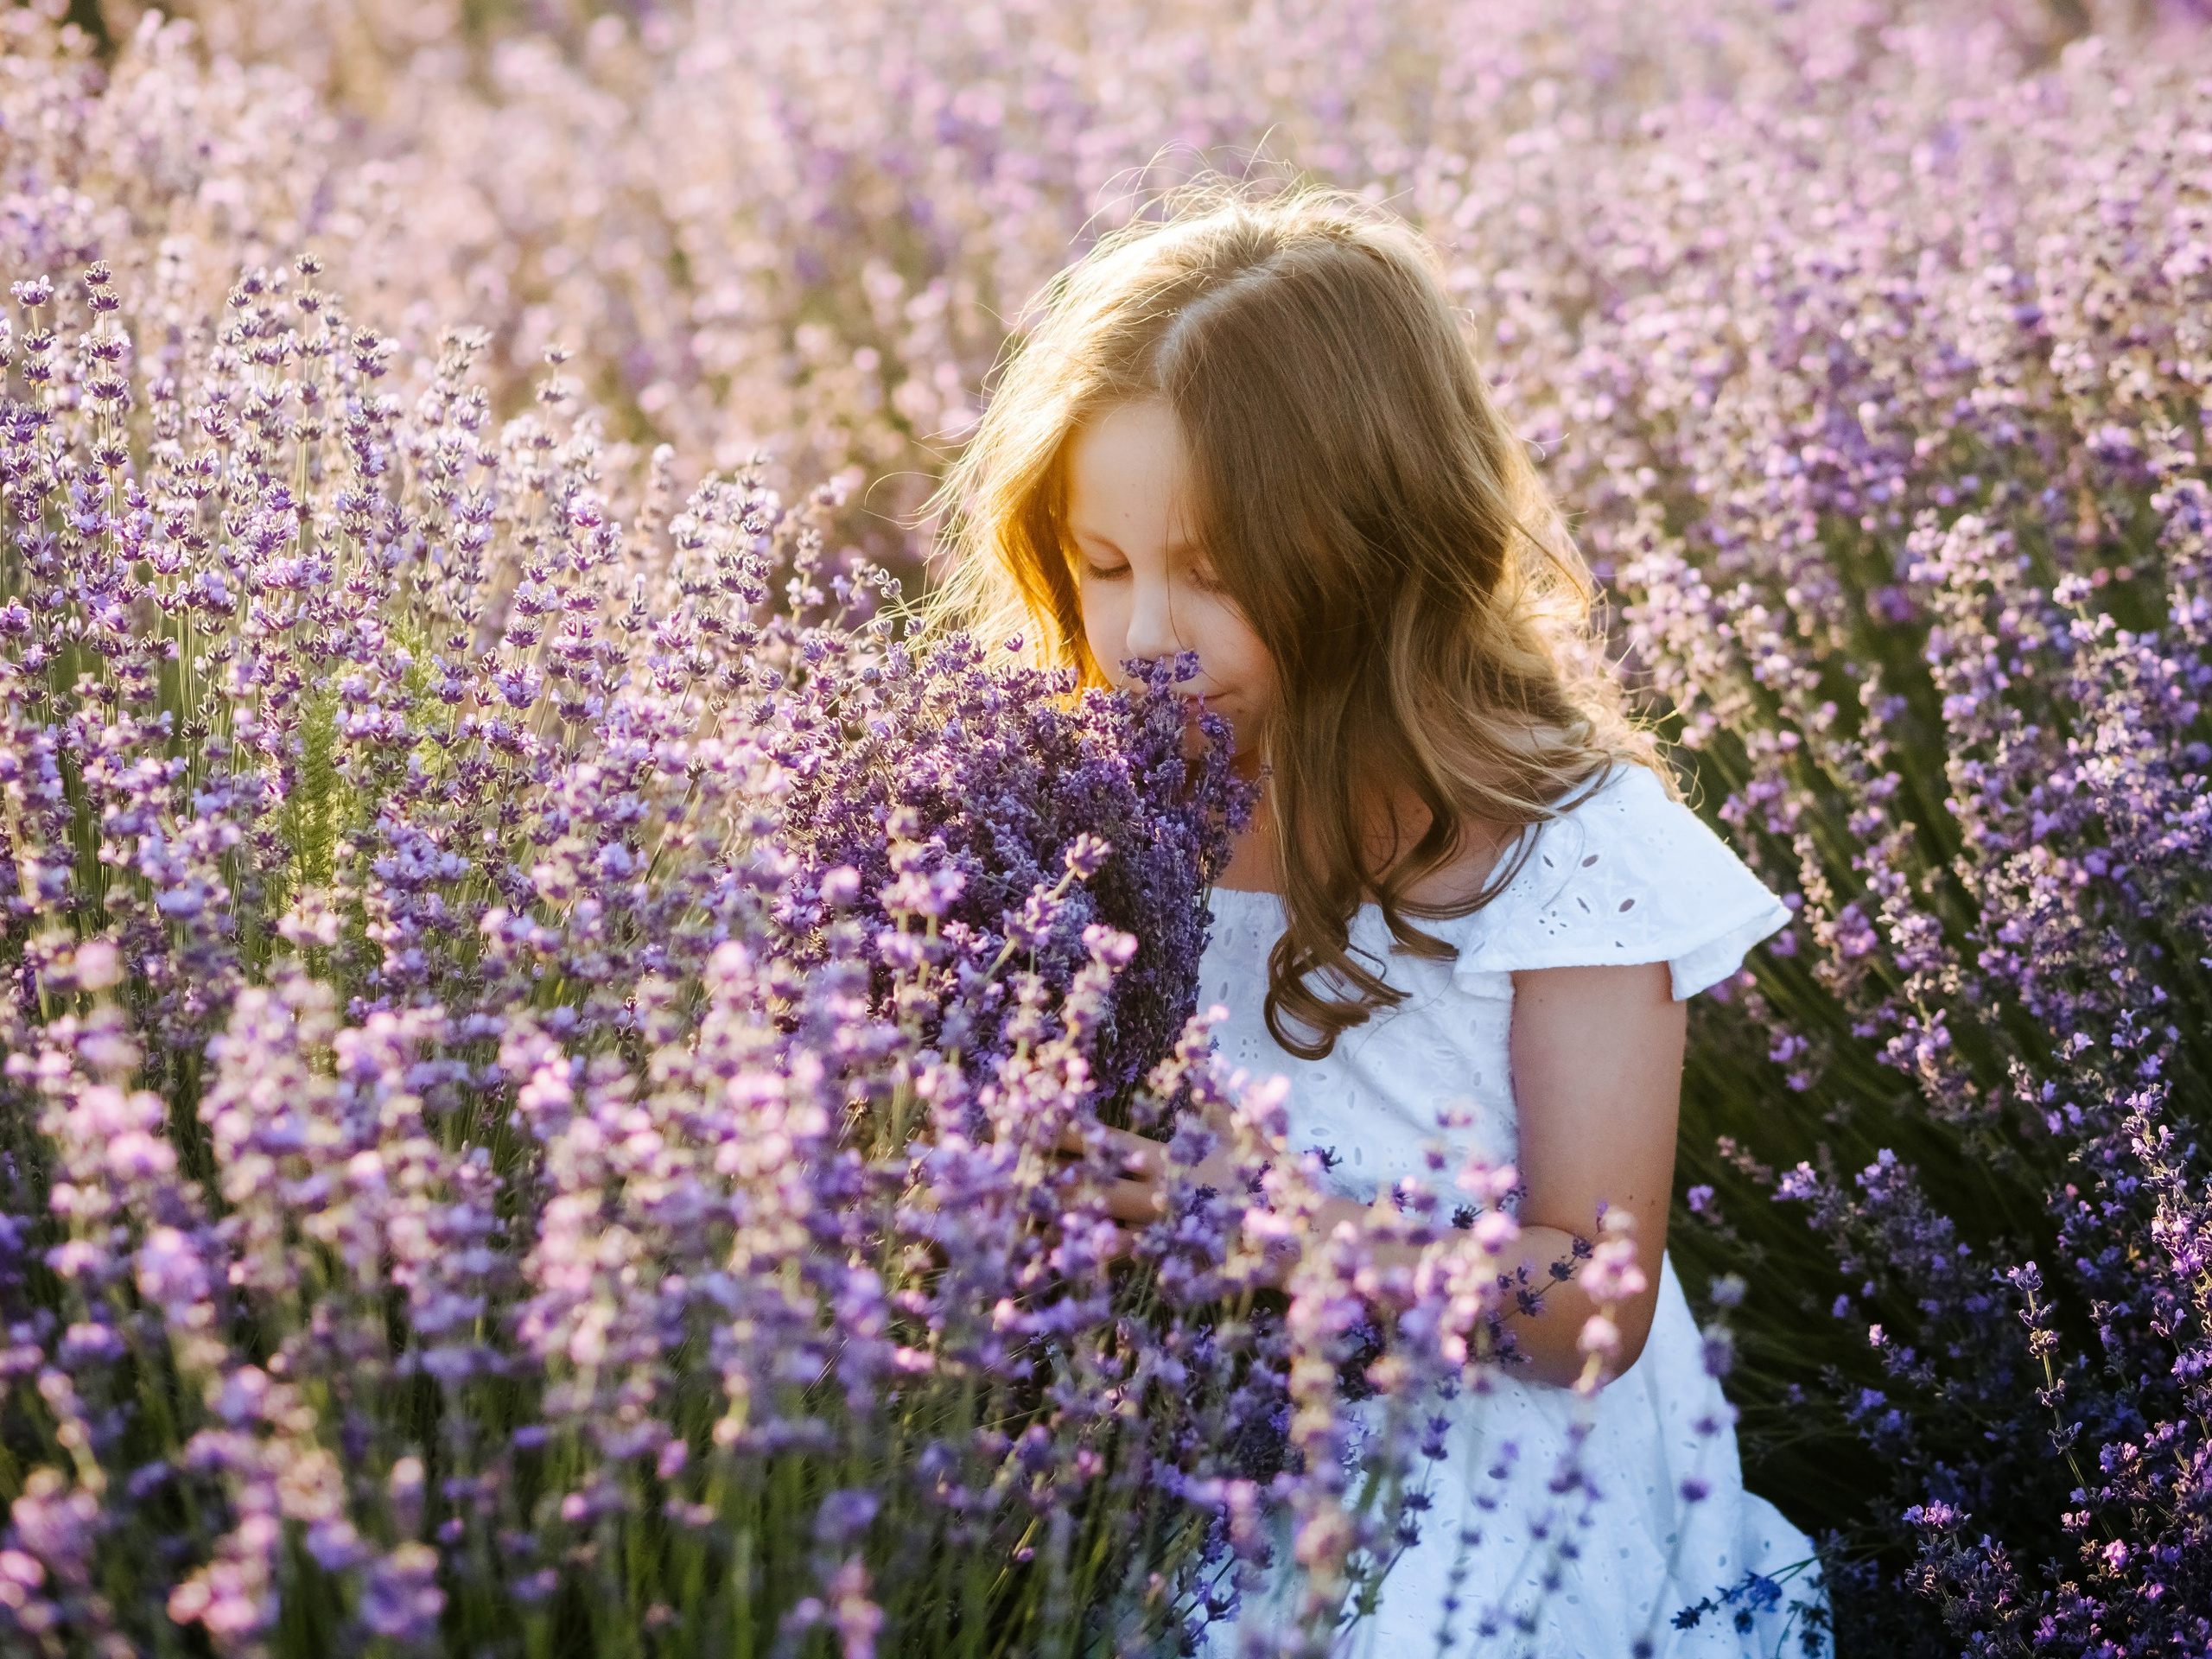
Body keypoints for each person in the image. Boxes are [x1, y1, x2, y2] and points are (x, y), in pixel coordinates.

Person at [927, 183, 1827, 1656]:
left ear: (1376, 545)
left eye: (1214, 573)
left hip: (1486, 1453)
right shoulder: (1071, 806)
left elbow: (1592, 1307)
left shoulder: (1562, 845)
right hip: (1180, 1420)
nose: (1148, 634)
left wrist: (1294, 1237)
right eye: (1101, 568)